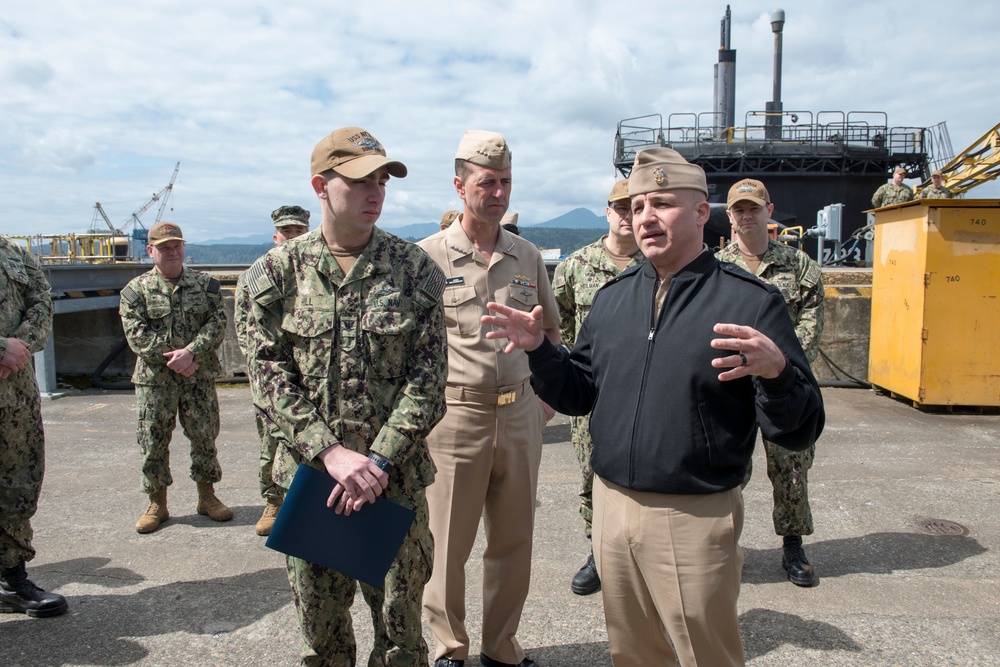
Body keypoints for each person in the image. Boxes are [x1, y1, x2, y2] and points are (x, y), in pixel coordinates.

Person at [483, 147, 825, 667]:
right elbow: (580, 394)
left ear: (700, 213)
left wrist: (777, 373)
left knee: (704, 654)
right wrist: (541, 352)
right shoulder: (612, 298)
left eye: (662, 203)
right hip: (612, 511)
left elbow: (800, 429)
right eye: (639, 205)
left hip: (693, 515)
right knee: (634, 655)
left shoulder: (751, 302)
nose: (645, 217)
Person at [244, 126, 448, 667]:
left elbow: (429, 382)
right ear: (320, 185)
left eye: (381, 179)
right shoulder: (274, 275)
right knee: (322, 638)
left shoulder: (414, 270)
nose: (375, 192)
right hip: (315, 484)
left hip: (394, 484)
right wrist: (332, 454)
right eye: (359, 181)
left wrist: (376, 462)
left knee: (402, 638)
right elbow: (266, 376)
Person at [418, 130, 559, 667]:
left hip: (520, 412)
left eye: (504, 182)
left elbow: (550, 330)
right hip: (456, 417)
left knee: (513, 541)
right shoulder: (426, 258)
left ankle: (502, 648)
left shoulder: (527, 255)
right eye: (486, 182)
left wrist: (544, 396)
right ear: (460, 186)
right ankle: (450, 649)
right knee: (447, 546)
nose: (497, 192)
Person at [718, 178, 824, 587]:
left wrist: (779, 372)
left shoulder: (799, 268)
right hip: (732, 384)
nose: (747, 216)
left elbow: (808, 332)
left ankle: (793, 543)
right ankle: (723, 544)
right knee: (728, 466)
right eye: (739, 210)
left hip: (782, 384)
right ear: (729, 216)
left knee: (791, 466)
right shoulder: (716, 266)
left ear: (769, 211)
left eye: (754, 208)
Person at [551, 178, 643, 596]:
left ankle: (643, 554)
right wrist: (577, 360)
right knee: (591, 475)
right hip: (594, 392)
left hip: (647, 390)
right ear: (606, 212)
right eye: (619, 207)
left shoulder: (659, 261)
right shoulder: (578, 265)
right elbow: (559, 318)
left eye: (634, 207)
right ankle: (598, 554)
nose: (627, 215)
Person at [119, 221, 231, 534]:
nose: (172, 251)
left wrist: (191, 353)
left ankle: (207, 497)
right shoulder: (135, 291)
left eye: (177, 245)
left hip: (198, 377)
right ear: (150, 250)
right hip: (155, 380)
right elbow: (136, 335)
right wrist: (177, 358)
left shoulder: (206, 285)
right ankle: (157, 503)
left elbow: (217, 324)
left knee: (205, 437)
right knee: (153, 441)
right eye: (165, 247)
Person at [0, 236, 68, 618]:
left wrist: (18, 349)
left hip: (15, 396)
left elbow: (41, 301)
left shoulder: (13, 252)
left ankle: (11, 579)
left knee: (18, 486)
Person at [234, 205, 310, 536]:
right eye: (286, 232)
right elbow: (244, 328)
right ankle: (273, 501)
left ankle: (304, 502)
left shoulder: (314, 273)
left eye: (298, 231)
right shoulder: (255, 275)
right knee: (271, 443)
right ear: (275, 236)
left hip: (310, 376)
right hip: (271, 377)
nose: (292, 237)